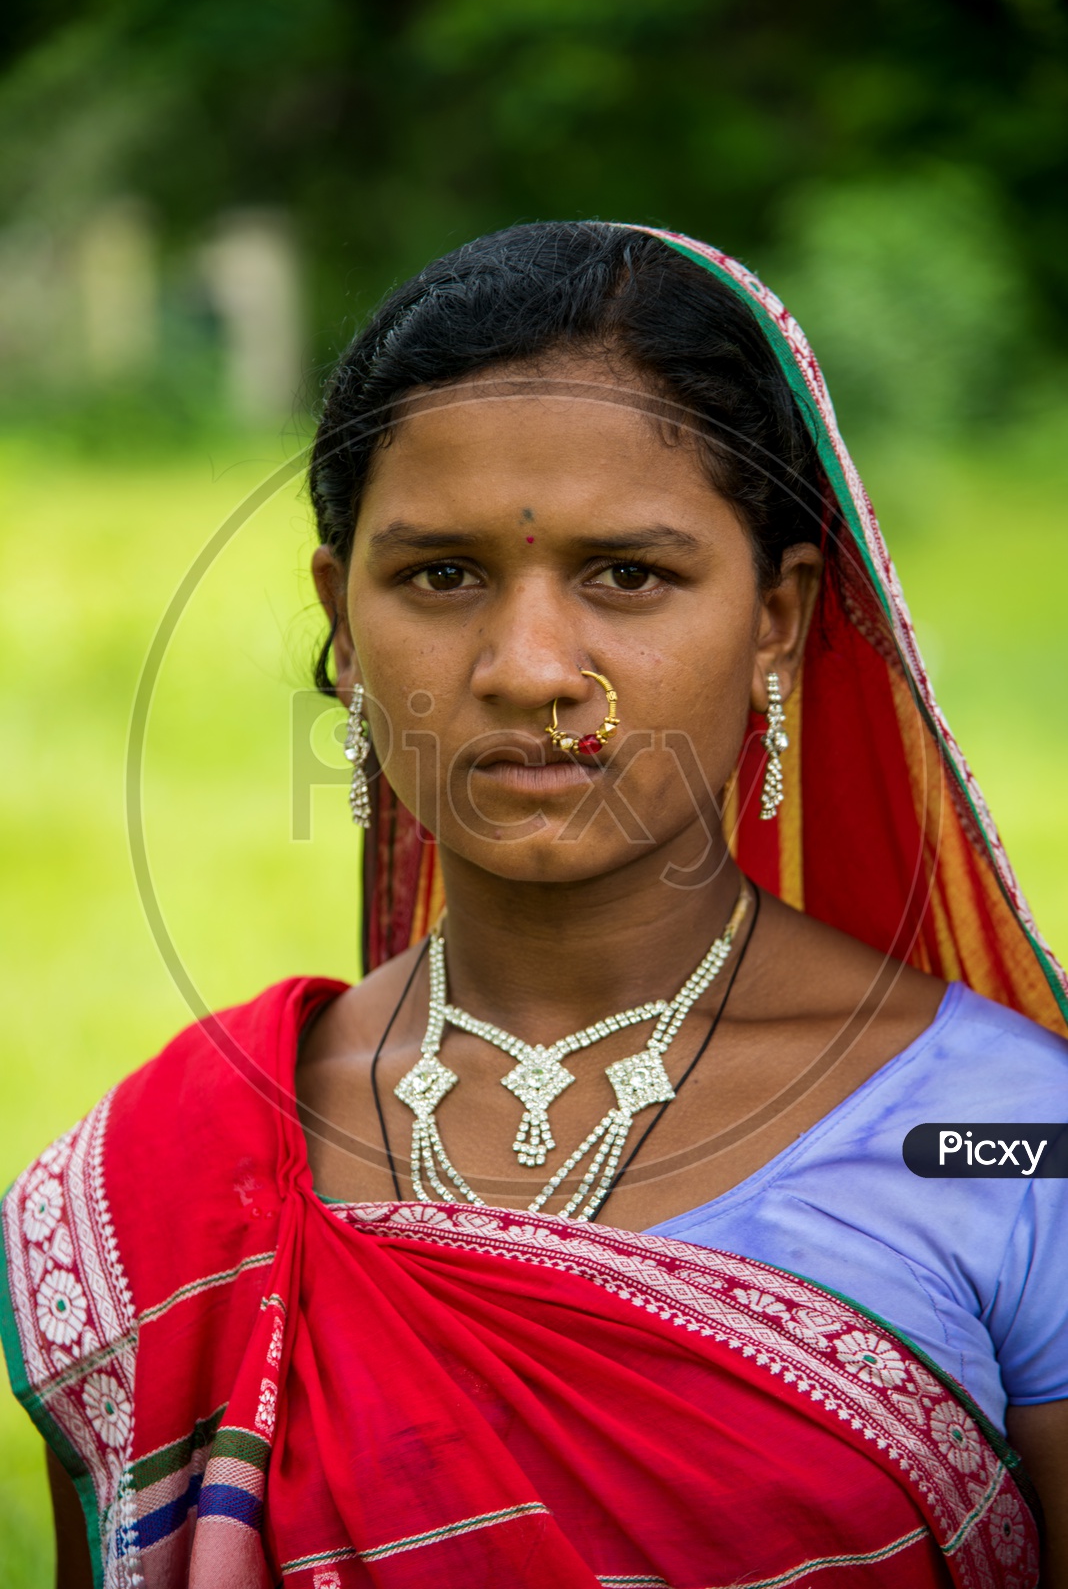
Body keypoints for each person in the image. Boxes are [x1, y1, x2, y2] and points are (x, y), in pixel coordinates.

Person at [3, 222, 1067, 1588]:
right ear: (343, 614)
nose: (528, 668)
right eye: (440, 576)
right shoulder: (160, 1182)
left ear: (777, 619)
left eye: (629, 574)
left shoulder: (1010, 1138)